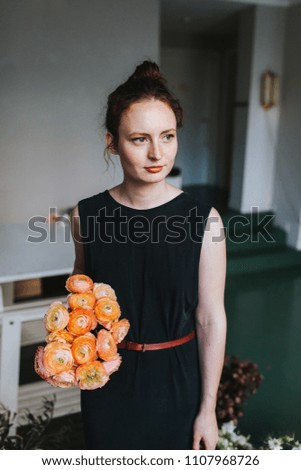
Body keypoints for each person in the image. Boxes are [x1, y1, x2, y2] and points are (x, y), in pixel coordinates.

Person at [70, 60, 227, 450]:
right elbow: (82, 301)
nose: (157, 152)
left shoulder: (204, 219)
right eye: (139, 139)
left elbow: (210, 318)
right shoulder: (87, 215)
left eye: (168, 136)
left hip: (176, 383)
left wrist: (208, 408)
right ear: (112, 142)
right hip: (106, 381)